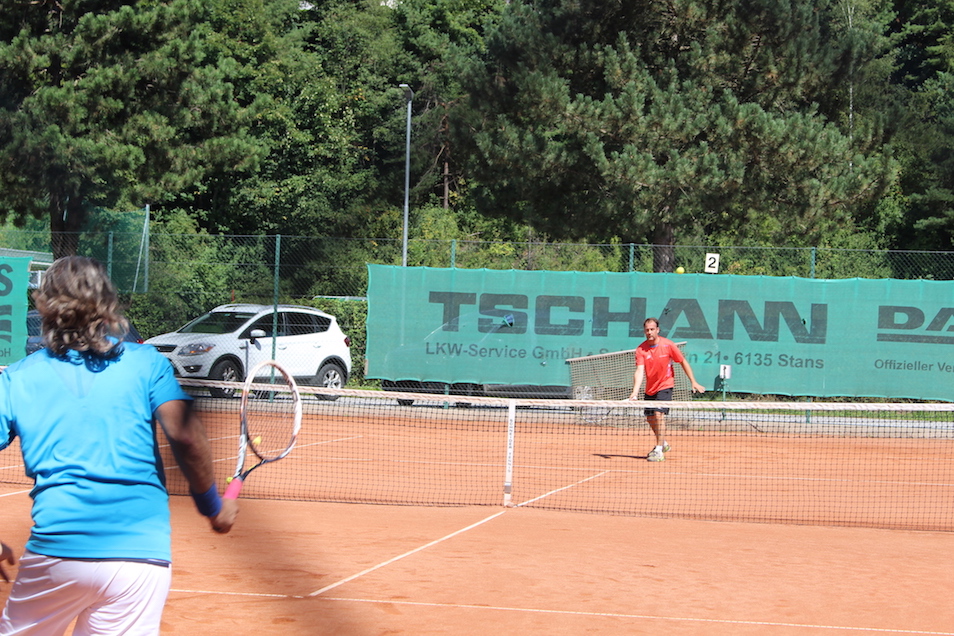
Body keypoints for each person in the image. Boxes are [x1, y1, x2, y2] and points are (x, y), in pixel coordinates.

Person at [0, 256, 238, 635]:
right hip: (139, 563)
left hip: (57, 556)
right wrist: (213, 507)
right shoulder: (146, 363)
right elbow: (186, 435)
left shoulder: (16, 378)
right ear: (107, 302)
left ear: (44, 307)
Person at [628, 317, 705, 462]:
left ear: (657, 330)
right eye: (647, 330)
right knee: (650, 418)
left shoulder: (668, 345)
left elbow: (682, 362)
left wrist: (693, 381)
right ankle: (663, 443)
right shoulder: (640, 349)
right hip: (650, 388)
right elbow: (639, 371)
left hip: (665, 385)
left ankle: (658, 450)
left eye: (652, 329)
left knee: (658, 414)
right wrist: (635, 392)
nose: (649, 332)